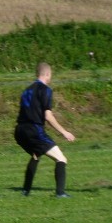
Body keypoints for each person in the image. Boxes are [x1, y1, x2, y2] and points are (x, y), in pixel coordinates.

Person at [14, 62, 76, 198]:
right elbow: (47, 116)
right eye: (50, 75)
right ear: (47, 74)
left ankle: (25, 191)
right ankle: (60, 193)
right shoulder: (45, 90)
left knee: (36, 154)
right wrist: (64, 132)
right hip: (34, 129)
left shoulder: (27, 90)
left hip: (19, 130)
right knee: (61, 159)